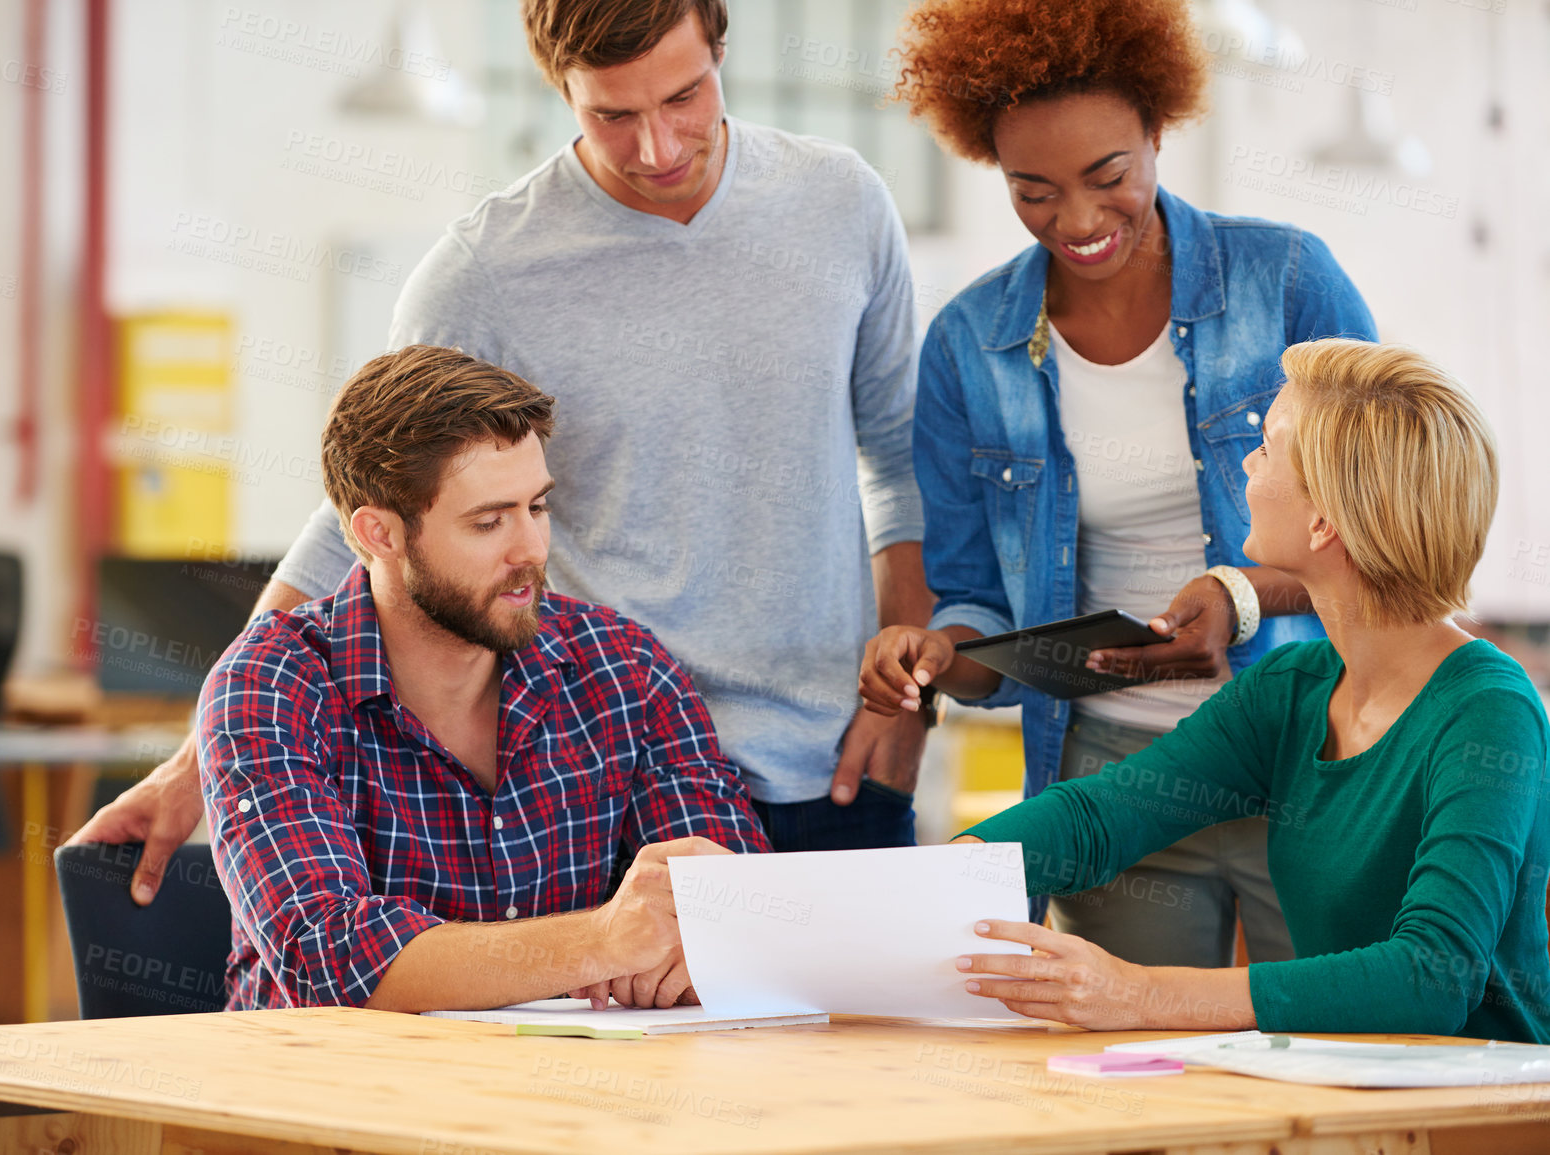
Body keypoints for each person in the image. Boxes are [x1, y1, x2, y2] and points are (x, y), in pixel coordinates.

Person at [74, 0, 932, 900]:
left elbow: (900, 460)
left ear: (721, 47)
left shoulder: (840, 202)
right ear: (558, 88)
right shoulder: (484, 272)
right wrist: (196, 756)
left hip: (839, 763)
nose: (657, 148)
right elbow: (368, 512)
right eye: (610, 115)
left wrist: (904, 701)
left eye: (685, 96)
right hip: (612, 786)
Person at [859, 0, 1375, 967]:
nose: (1080, 220)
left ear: (1157, 129)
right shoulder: (969, 343)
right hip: (1112, 775)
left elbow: (1390, 539)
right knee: (1129, 1076)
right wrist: (932, 654)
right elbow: (973, 610)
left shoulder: (1287, 281)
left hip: (1311, 752)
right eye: (1033, 191)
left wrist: (1237, 598)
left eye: (1109, 176)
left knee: (1333, 1060)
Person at [946, 340, 1550, 1041]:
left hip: (1479, 1114)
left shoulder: (1487, 709)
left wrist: (1138, 992)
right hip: (1348, 1090)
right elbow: (1103, 817)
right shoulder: (1291, 691)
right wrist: (938, 873)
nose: (1245, 461)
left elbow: (1430, 977)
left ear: (1325, 520)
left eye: (1265, 445)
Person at [203, 345, 769, 1012]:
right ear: (380, 533)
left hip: (568, 1101)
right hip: (332, 1100)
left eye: (537, 507)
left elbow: (736, 913)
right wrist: (601, 941)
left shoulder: (626, 669)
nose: (530, 548)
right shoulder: (270, 684)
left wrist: (707, 943)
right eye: (488, 521)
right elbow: (326, 957)